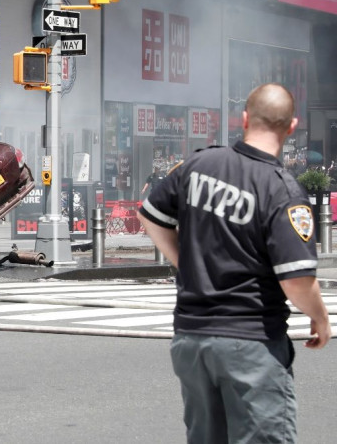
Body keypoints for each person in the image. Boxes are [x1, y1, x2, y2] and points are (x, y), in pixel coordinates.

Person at [137, 83, 331, 443]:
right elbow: (297, 281)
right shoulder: (282, 191)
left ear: (244, 119)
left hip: (191, 339)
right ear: (291, 126)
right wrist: (320, 317)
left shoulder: (198, 163)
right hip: (251, 341)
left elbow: (151, 216)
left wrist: (185, 263)